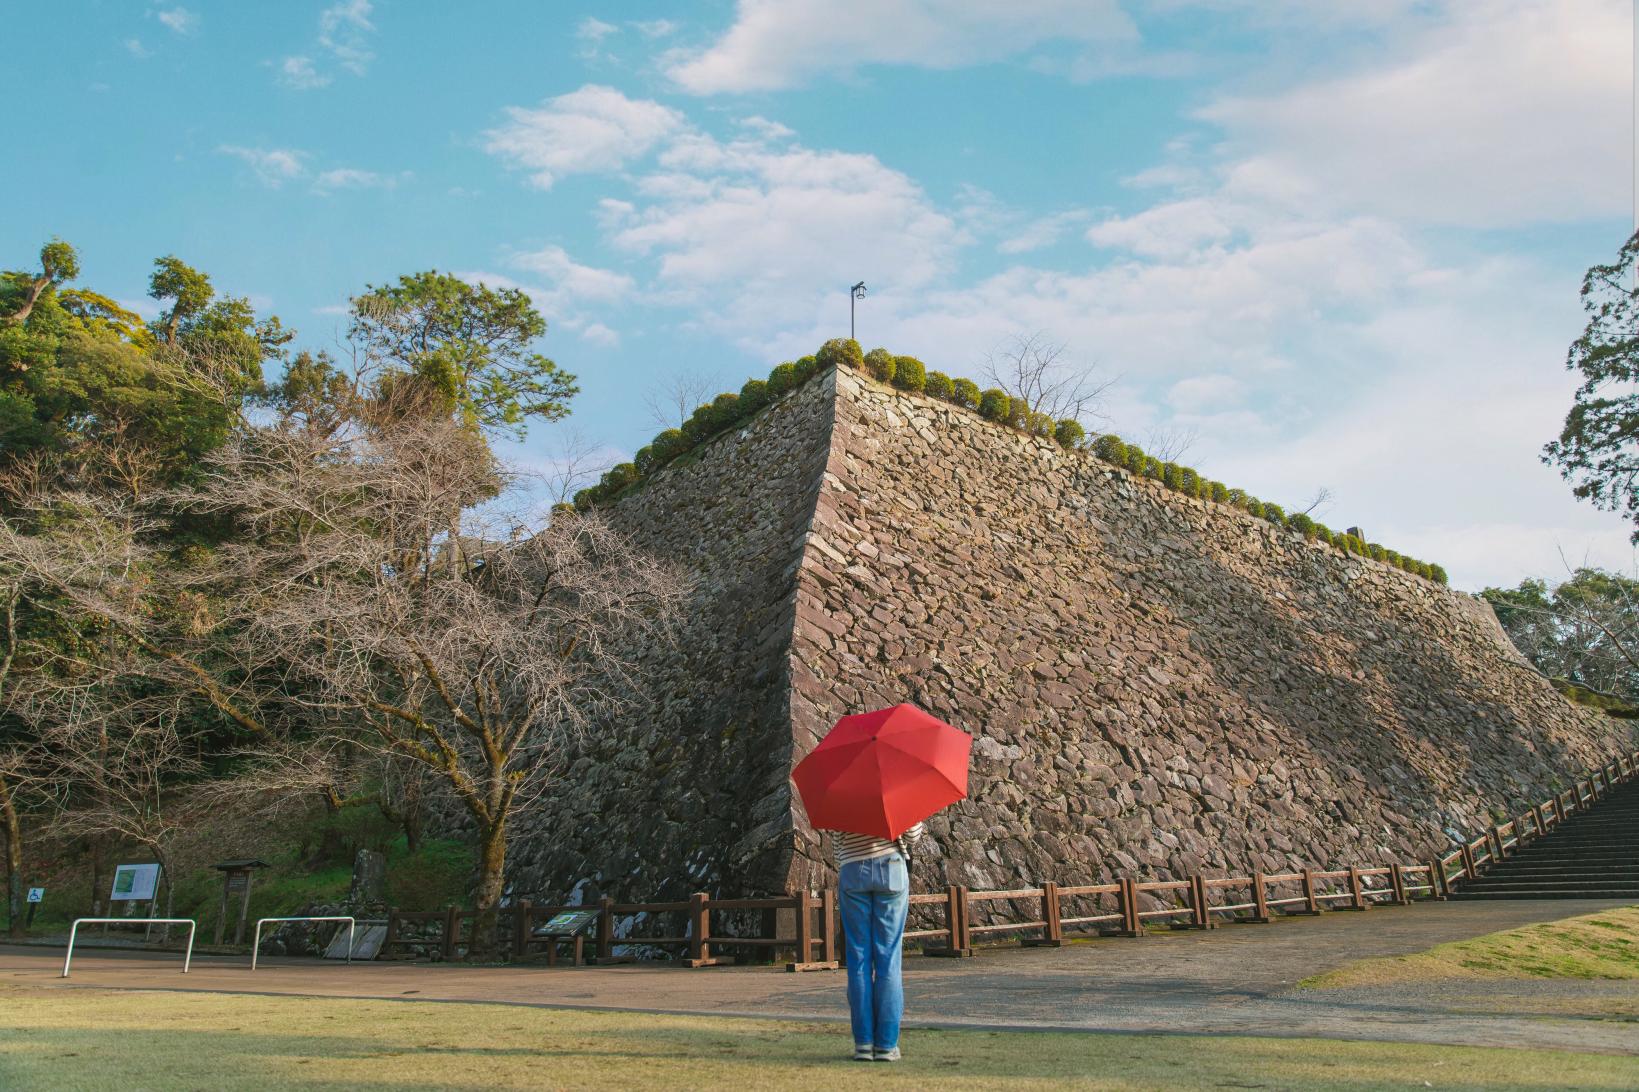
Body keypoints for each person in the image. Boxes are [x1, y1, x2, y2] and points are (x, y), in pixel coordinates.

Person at [832, 821, 923, 1062]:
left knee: (858, 959)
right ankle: (886, 1044)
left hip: (852, 869)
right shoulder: (894, 787)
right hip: (890, 866)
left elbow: (835, 840)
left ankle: (863, 1043)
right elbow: (912, 835)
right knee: (888, 958)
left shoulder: (841, 789)